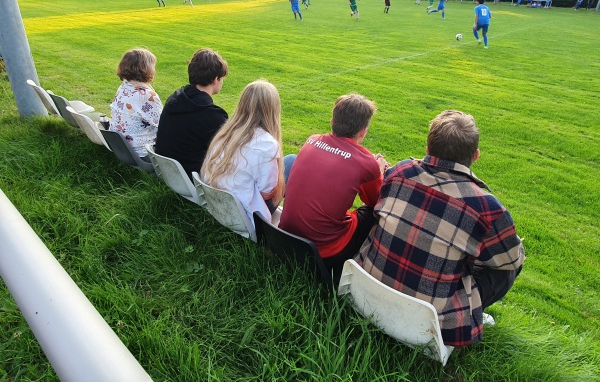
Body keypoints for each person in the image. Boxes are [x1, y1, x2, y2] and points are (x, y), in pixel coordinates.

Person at [356, 110, 525, 348]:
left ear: (428, 147)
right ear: (475, 156)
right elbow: (512, 261)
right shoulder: (485, 207)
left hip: (367, 289)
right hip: (430, 319)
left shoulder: (399, 171)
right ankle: (471, 313)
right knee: (504, 269)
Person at [279, 94, 389, 279]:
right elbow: (375, 201)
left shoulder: (312, 139)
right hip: (326, 250)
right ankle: (368, 263)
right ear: (363, 131)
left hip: (285, 235)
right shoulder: (366, 162)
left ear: (332, 122)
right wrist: (379, 173)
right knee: (374, 213)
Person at [201, 80, 295, 226]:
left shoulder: (225, 132)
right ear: (273, 109)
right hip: (246, 216)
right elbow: (267, 191)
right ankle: (292, 221)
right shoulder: (267, 145)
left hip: (218, 204)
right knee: (291, 161)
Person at [154, 48, 228, 179]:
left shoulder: (176, 98)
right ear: (215, 80)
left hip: (167, 172)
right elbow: (226, 155)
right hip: (192, 178)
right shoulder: (213, 116)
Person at [109, 48, 163, 159]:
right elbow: (164, 124)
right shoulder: (147, 95)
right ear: (146, 69)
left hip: (121, 147)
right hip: (141, 153)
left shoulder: (124, 87)